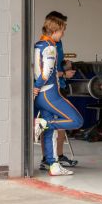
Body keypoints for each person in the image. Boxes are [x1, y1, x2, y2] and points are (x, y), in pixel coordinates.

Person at [34, 16, 83, 176]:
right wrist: (36, 86)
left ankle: (53, 165)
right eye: (62, 31)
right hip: (50, 94)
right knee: (77, 120)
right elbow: (46, 72)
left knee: (49, 132)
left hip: (42, 95)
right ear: (55, 30)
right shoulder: (50, 47)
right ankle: (43, 123)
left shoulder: (39, 44)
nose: (62, 34)